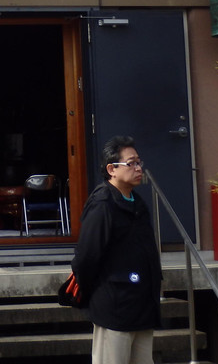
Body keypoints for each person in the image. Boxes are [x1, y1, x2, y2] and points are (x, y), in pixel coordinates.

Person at [71, 135, 162, 364]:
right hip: (114, 305)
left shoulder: (137, 202)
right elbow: (86, 258)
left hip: (142, 305)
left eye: (139, 162)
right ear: (112, 169)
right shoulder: (102, 204)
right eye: (131, 163)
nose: (138, 168)